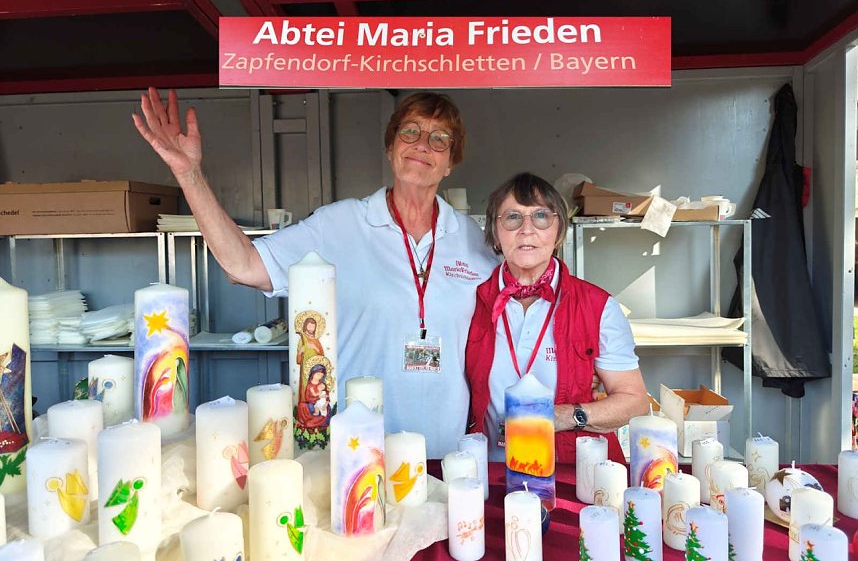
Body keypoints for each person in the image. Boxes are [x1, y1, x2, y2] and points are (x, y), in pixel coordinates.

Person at [133, 88, 497, 458]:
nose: (423, 144)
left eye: (440, 139)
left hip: (449, 450)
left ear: (451, 162)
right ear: (390, 148)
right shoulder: (338, 225)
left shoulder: (472, 238)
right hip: (360, 448)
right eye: (410, 132)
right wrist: (189, 173)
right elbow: (242, 266)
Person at [465, 172, 649, 463]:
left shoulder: (597, 306)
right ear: (495, 234)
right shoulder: (470, 302)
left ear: (559, 231)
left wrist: (565, 415)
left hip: (574, 474)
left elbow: (635, 402)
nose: (527, 229)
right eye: (512, 217)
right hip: (492, 472)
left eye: (541, 216)